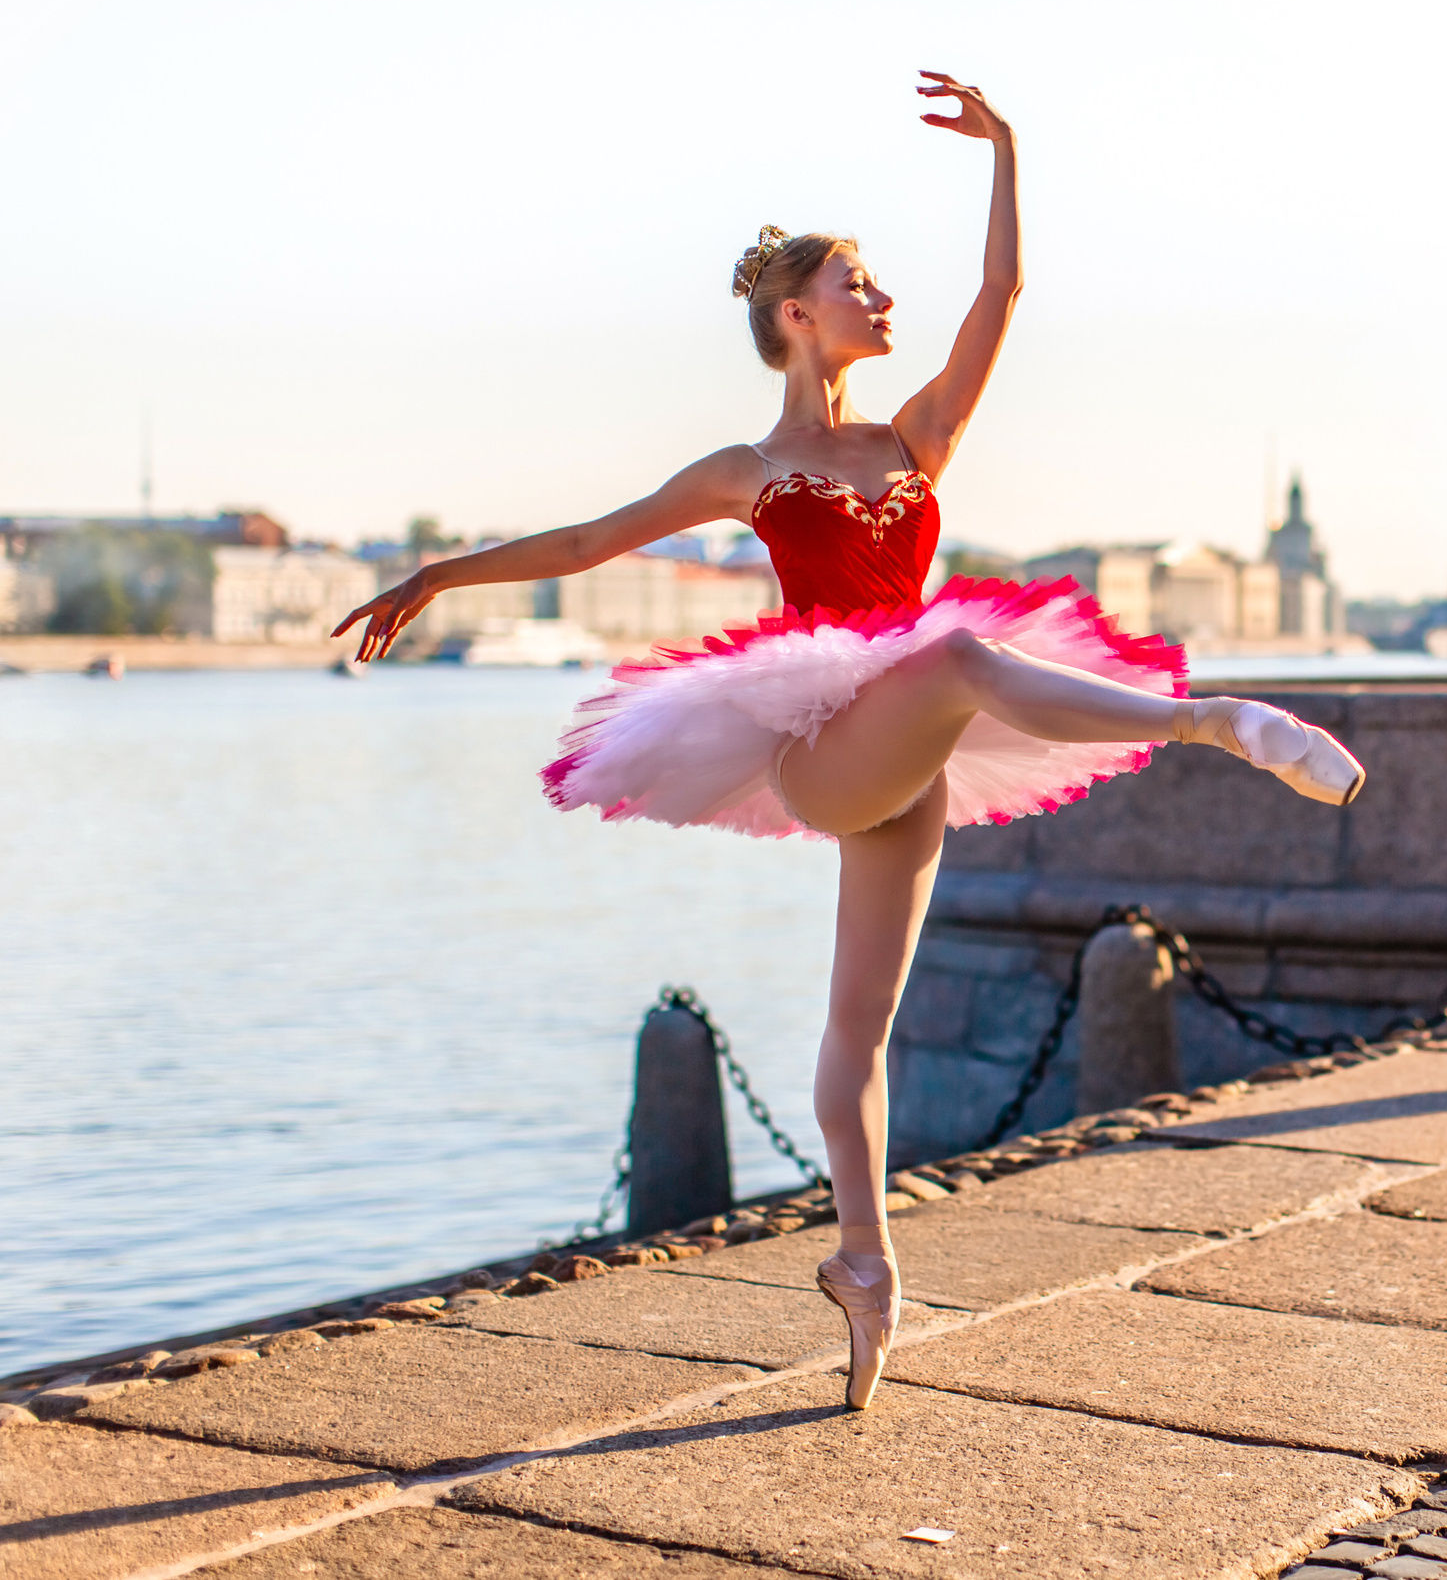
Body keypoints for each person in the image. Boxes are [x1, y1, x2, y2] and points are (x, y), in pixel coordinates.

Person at [334, 72, 1363, 1410]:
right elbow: (589, 542)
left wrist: (1009, 153)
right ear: (796, 317)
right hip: (824, 745)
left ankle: (864, 1271)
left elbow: (1003, 303)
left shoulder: (914, 441)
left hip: (911, 770)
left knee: (856, 1031)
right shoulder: (745, 472)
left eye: (879, 277)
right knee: (961, 654)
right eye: (858, 280)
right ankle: (1212, 721)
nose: (884, 295)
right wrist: (435, 577)